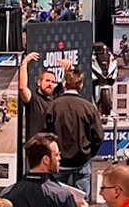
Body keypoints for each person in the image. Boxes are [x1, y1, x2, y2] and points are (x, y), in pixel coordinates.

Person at [45, 67, 104, 197]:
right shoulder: (88, 107)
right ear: (81, 85)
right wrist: (88, 153)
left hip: (59, 163)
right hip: (82, 162)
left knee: (56, 202)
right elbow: (98, 136)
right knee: (82, 205)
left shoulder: (53, 106)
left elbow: (46, 134)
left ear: (64, 84)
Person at [17, 52, 58, 141]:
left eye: (53, 82)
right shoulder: (33, 98)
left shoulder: (57, 100)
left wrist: (68, 69)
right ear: (39, 82)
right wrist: (24, 63)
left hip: (51, 147)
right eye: (47, 80)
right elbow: (22, 88)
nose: (50, 84)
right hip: (35, 147)